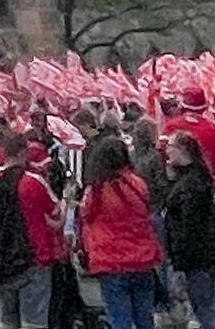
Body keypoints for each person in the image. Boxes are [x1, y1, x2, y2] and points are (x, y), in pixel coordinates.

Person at [0, 130, 64, 329]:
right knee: (34, 321)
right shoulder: (33, 182)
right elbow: (57, 215)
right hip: (34, 258)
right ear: (23, 152)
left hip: (0, 259)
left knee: (7, 321)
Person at [79, 136, 161, 329]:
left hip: (112, 261)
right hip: (142, 258)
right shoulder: (137, 184)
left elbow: (86, 216)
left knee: (120, 320)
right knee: (144, 318)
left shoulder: (97, 191)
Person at [160, 132, 215, 329]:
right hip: (201, 254)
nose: (167, 150)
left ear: (182, 151)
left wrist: (180, 258)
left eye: (170, 146)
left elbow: (190, 225)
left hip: (196, 256)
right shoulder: (197, 179)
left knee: (203, 307)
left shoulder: (191, 184)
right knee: (204, 306)